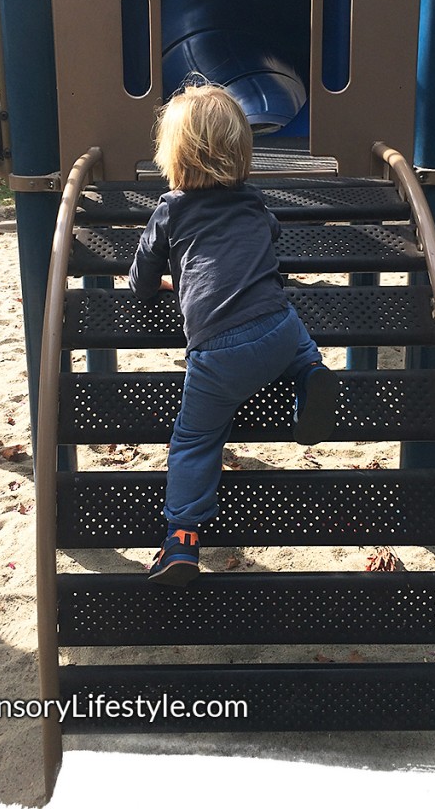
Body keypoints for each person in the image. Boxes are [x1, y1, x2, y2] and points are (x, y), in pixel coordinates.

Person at [129, 83, 339, 586]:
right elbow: (266, 238)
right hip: (277, 329)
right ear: (242, 152)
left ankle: (181, 538)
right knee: (297, 336)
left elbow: (139, 281)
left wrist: (166, 279)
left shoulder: (171, 210)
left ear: (173, 155)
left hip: (218, 352)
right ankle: (310, 373)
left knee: (196, 440)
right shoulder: (252, 202)